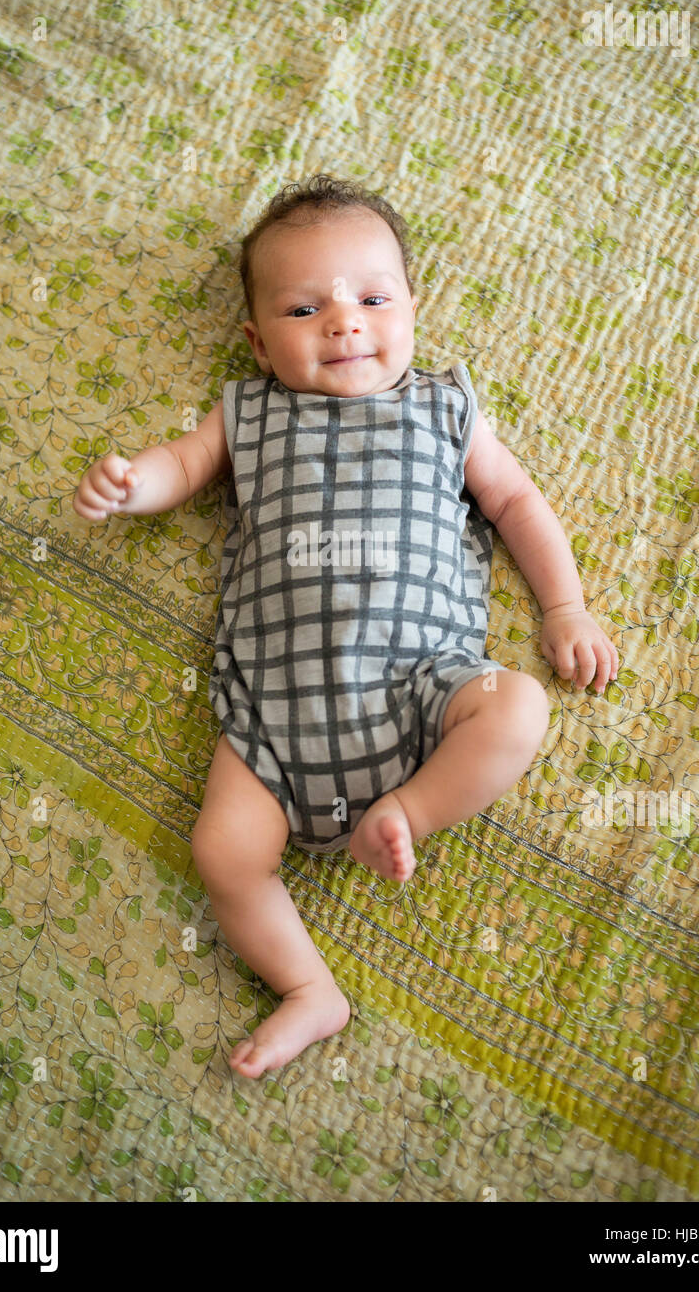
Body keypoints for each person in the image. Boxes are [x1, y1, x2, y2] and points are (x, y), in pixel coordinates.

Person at [73, 174, 619, 1079]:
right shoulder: (247, 411)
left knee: (517, 707)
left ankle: (407, 809)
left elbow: (516, 500)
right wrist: (136, 486)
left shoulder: (445, 407)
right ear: (256, 339)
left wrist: (564, 607)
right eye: (302, 306)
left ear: (411, 308)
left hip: (424, 685)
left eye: (370, 298)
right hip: (273, 717)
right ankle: (306, 989)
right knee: (222, 848)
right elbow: (183, 462)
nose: (342, 321)